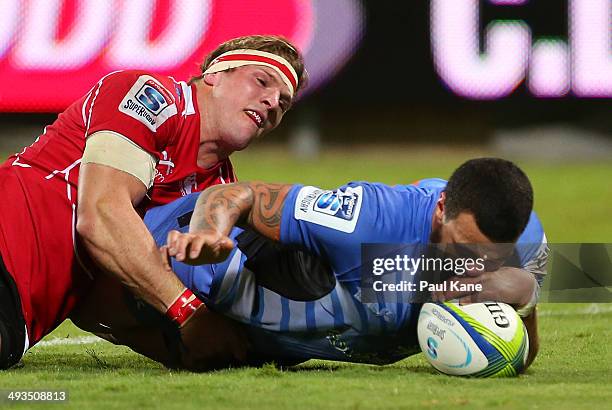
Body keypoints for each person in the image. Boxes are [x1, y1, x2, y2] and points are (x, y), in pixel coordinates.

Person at [0, 35, 307, 369]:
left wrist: (192, 346)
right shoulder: (153, 98)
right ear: (215, 74)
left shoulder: (216, 197)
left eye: (283, 103)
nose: (273, 102)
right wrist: (188, 313)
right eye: (261, 81)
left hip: (22, 316)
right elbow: (101, 216)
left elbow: (100, 302)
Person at [75, 158, 548, 371]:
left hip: (268, 343)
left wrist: (522, 299)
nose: (464, 266)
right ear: (441, 208)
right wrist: (210, 234)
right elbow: (234, 194)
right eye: (458, 247)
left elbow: (523, 349)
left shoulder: (527, 243)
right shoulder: (370, 220)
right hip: (188, 263)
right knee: (83, 301)